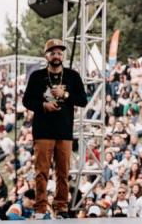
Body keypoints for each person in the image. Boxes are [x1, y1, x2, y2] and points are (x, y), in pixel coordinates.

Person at [22, 39, 89, 219]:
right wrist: (44, 105)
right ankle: (41, 208)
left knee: (63, 172)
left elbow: (83, 100)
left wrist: (64, 95)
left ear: (63, 56)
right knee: (41, 171)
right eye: (52, 53)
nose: (56, 56)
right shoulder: (36, 76)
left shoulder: (72, 76)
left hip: (64, 130)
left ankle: (61, 207)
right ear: (46, 55)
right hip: (43, 130)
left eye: (59, 53)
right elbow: (26, 101)